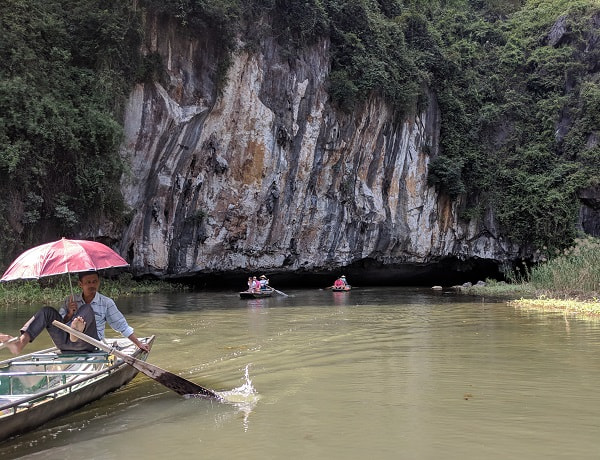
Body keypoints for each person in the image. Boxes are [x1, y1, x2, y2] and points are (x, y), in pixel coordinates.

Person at [0, 271, 150, 355]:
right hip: (65, 344)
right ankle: (19, 344)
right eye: (88, 282)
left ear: (98, 282)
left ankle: (76, 332)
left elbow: (121, 326)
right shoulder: (70, 300)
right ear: (80, 284)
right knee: (47, 311)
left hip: (90, 344)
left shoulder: (106, 303)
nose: (92, 285)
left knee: (86, 309)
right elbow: (58, 324)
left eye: (95, 282)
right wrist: (69, 315)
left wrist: (138, 344)